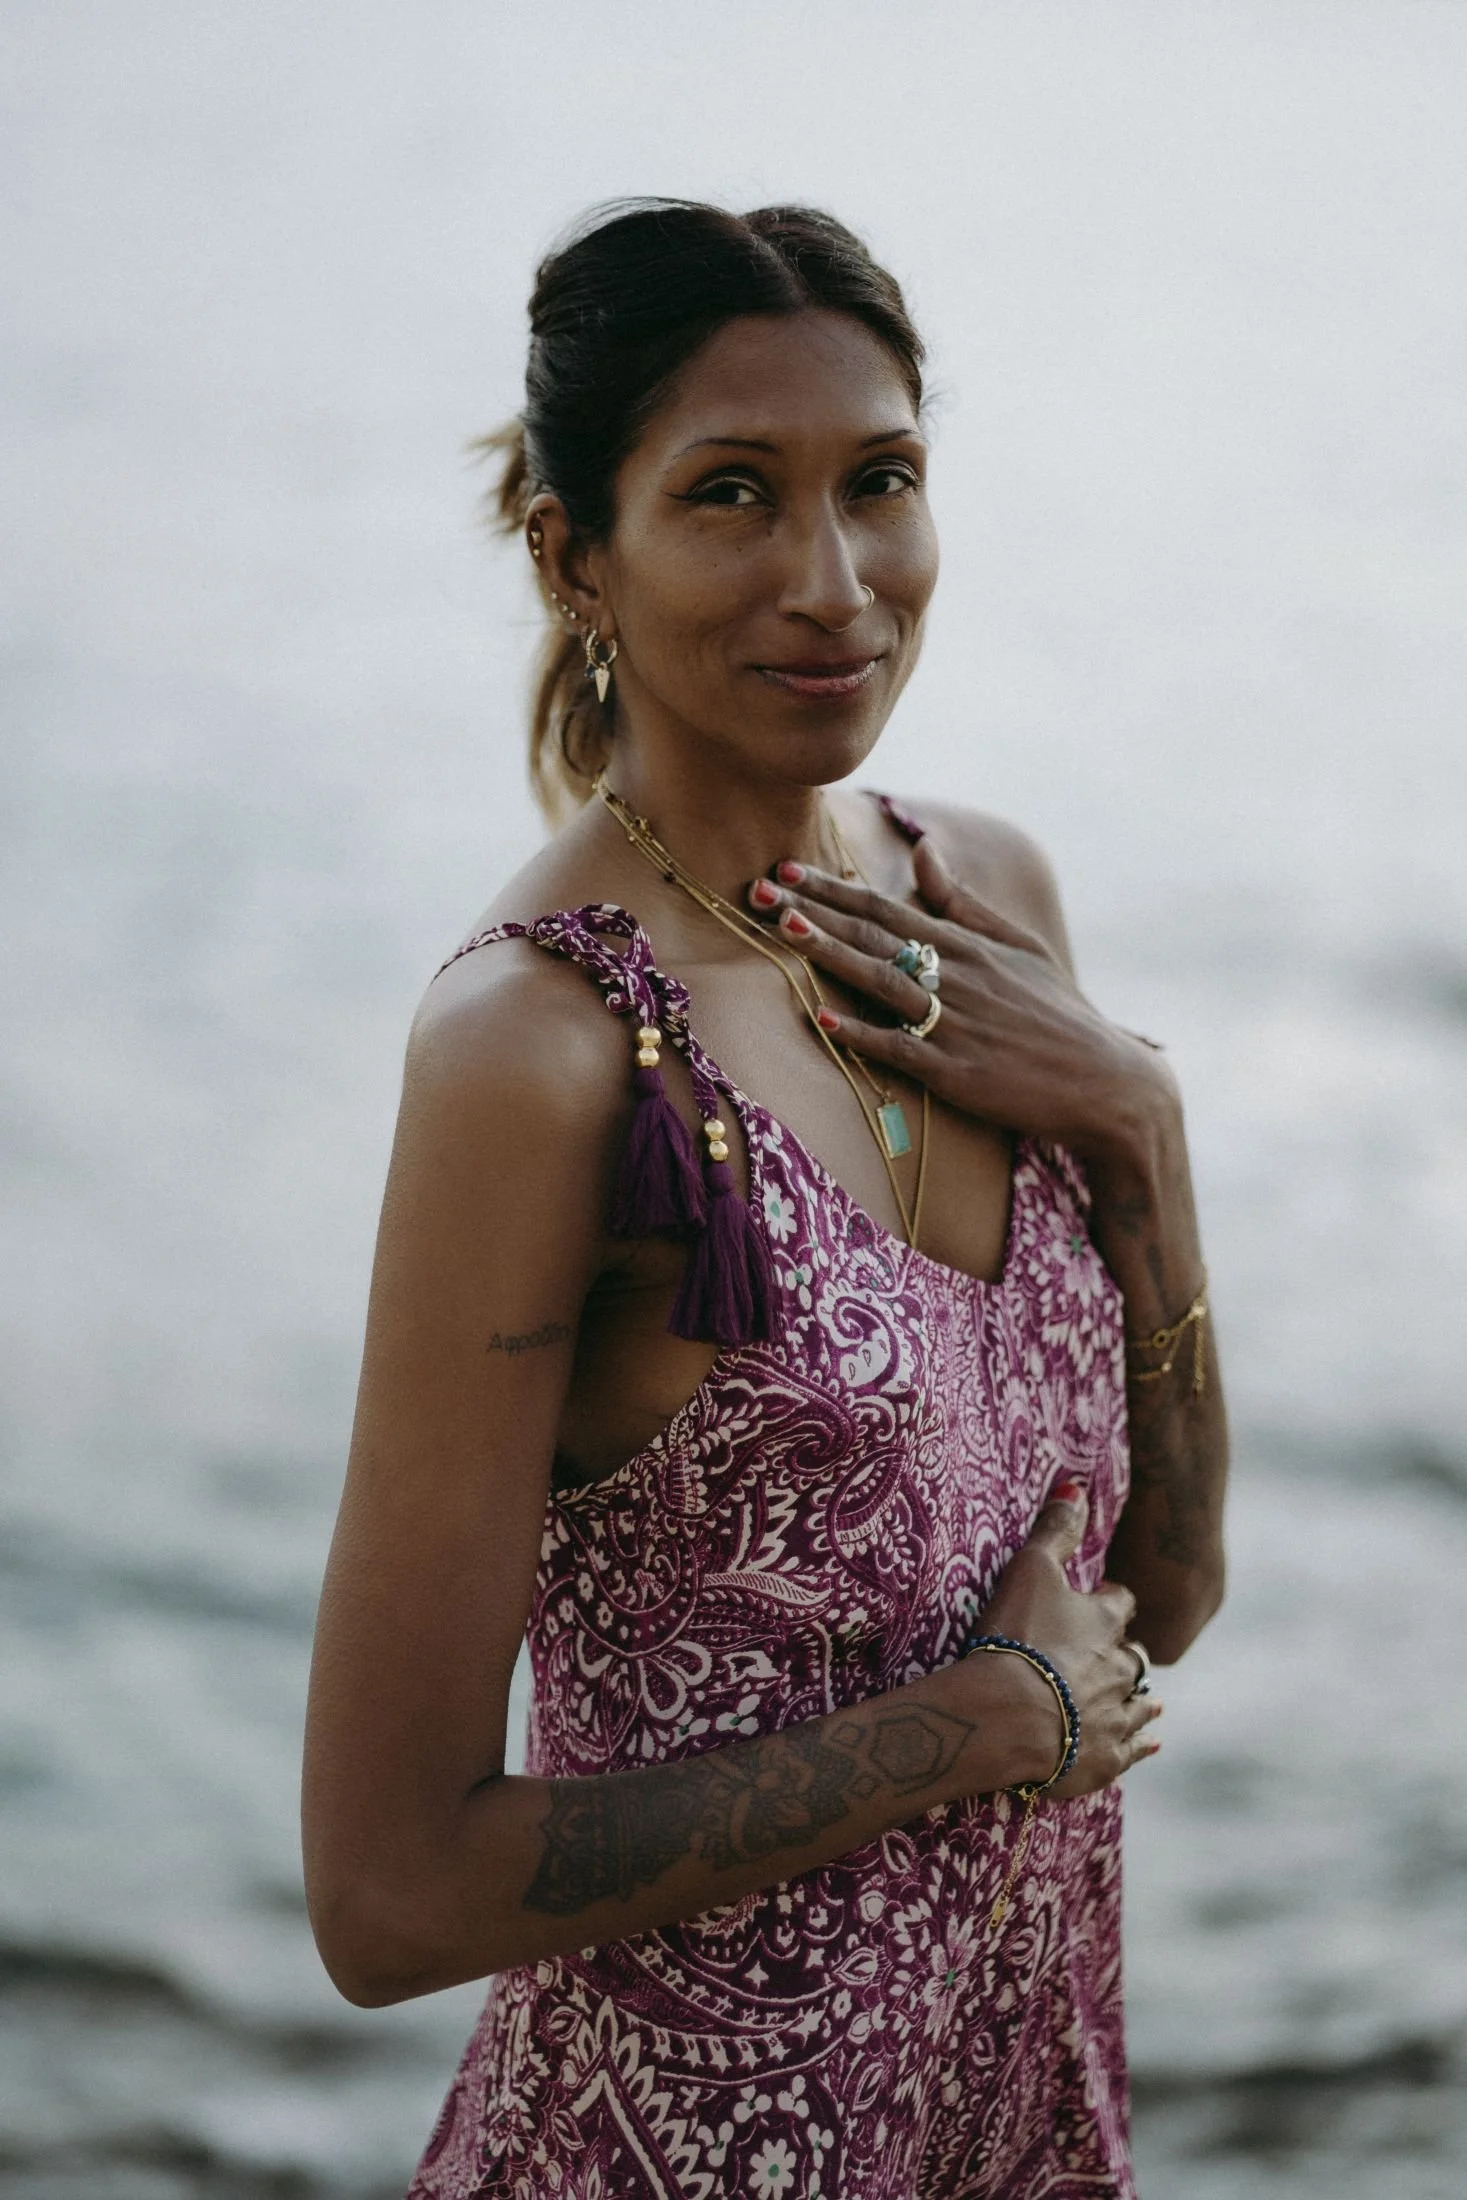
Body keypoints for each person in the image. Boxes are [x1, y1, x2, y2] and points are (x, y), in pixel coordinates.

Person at [302, 200, 1228, 2200]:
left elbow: (1155, 1596)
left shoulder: (979, 902)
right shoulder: (544, 1053)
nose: (835, 581)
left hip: (1018, 2136)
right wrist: (971, 1730)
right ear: (576, 557)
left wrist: (1138, 1131)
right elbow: (383, 1890)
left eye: (878, 481)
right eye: (731, 494)